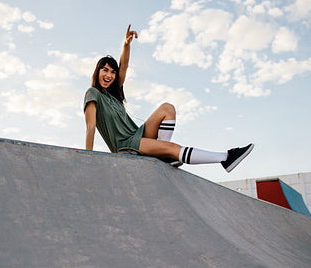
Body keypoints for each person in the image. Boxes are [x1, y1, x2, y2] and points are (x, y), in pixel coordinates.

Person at [83, 24, 253, 172]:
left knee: (167, 108)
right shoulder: (93, 94)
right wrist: (87, 157)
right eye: (105, 70)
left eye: (112, 72)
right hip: (125, 146)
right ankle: (225, 158)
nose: (109, 75)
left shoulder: (114, 95)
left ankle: (163, 155)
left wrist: (126, 44)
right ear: (97, 71)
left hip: (137, 135)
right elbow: (91, 127)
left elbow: (124, 66)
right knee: (172, 148)